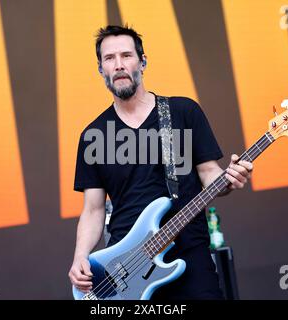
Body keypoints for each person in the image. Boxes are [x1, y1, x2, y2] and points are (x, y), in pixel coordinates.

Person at [68, 25, 253, 300]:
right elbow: (93, 210)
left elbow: (210, 173)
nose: (119, 65)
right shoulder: (93, 135)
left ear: (142, 62)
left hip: (190, 256)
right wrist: (80, 257)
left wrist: (229, 179)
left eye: (126, 55)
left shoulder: (183, 112)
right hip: (126, 272)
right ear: (100, 69)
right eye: (109, 59)